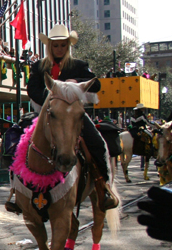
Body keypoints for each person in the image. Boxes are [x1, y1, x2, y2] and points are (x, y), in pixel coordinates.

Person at [27, 24, 118, 211]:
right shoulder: (38, 66)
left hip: (72, 116)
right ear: (50, 46)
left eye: (63, 45)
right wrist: (54, 98)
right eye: (56, 45)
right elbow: (32, 89)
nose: (59, 49)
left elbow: (96, 84)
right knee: (15, 139)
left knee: (97, 142)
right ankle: (16, 190)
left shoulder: (78, 66)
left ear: (68, 46)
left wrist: (76, 83)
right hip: (46, 114)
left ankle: (104, 186)